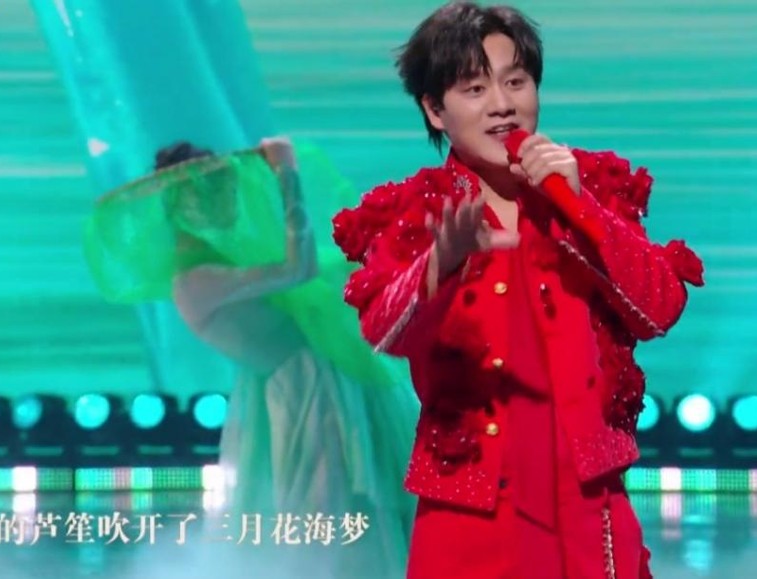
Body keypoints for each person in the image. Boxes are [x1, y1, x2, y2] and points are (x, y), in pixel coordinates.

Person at [331, 2, 705, 578]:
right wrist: (443, 262)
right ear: (435, 110)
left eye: (515, 82)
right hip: (472, 510)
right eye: (474, 89)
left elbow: (659, 309)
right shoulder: (421, 211)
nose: (502, 104)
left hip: (588, 502)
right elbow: (382, 329)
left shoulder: (590, 186)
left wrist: (578, 208)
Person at [86, 137, 418, 577]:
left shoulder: (219, 263)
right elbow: (299, 268)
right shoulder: (197, 279)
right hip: (305, 395)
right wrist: (286, 174)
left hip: (308, 387)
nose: (226, 201)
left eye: (227, 189)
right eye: (210, 192)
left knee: (345, 514)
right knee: (329, 517)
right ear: (178, 205)